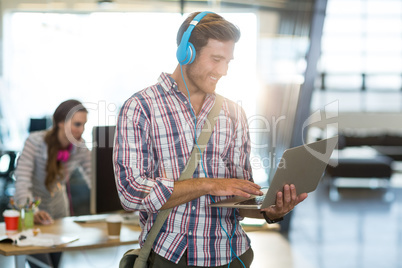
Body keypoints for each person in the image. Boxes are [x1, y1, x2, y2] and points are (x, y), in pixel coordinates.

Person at [113, 11, 308, 268]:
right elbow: (131, 192)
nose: (224, 71)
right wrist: (207, 185)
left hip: (233, 255)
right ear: (187, 53)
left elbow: (239, 199)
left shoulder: (234, 112)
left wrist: (269, 211)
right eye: (216, 59)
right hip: (172, 257)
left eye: (228, 61)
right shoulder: (140, 108)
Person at [14, 99, 91, 268]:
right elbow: (22, 180)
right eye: (77, 124)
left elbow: (94, 177)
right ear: (60, 123)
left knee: (55, 265)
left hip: (58, 215)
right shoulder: (35, 141)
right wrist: (32, 210)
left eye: (84, 125)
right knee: (42, 265)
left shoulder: (80, 146)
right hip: (32, 215)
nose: (81, 130)